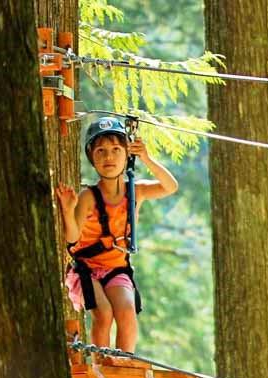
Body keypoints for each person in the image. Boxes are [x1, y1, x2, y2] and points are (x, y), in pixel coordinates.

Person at [56, 115, 178, 354]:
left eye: (115, 149)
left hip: (116, 269)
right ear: (92, 159)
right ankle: (103, 364)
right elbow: (71, 238)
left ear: (126, 154)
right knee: (104, 314)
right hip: (87, 270)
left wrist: (146, 158)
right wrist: (68, 211)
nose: (108, 157)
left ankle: (125, 364)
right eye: (100, 151)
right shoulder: (88, 197)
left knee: (126, 313)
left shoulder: (136, 191)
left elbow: (170, 186)